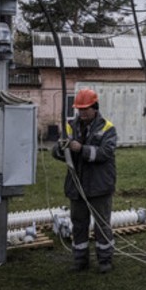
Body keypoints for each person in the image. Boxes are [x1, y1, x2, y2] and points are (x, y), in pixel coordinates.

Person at [53, 88, 118, 272]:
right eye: (79, 109)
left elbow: (104, 153)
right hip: (77, 185)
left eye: (85, 109)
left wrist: (80, 148)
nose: (82, 113)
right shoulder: (69, 126)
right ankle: (80, 261)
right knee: (79, 225)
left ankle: (105, 261)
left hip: (99, 186)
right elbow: (57, 152)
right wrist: (60, 149)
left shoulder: (107, 128)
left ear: (95, 107)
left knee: (101, 224)